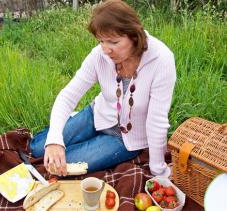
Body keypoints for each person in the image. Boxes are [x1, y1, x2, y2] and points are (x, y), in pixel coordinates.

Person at [29, 0, 176, 177]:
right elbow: (68, 95)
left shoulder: (161, 60)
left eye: (113, 42)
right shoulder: (99, 55)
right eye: (101, 41)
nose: (106, 50)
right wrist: (54, 140)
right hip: (97, 115)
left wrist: (158, 169)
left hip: (124, 139)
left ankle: (78, 135)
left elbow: (157, 121)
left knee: (62, 164)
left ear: (134, 36)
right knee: (38, 149)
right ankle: (72, 127)